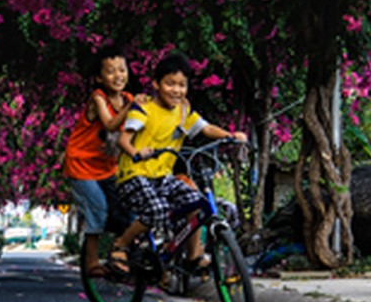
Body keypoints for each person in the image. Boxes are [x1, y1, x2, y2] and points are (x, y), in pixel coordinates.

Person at [110, 51, 246, 272]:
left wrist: (230, 136)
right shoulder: (143, 108)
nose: (176, 90)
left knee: (196, 203)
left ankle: (193, 256)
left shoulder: (183, 111)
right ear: (156, 84)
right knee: (157, 210)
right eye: (170, 84)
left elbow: (206, 128)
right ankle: (121, 244)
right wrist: (136, 152)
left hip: (162, 177)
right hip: (134, 176)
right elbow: (124, 139)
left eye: (182, 85)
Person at [63, 45, 133, 276]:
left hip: (107, 167)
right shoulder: (98, 98)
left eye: (122, 69)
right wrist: (133, 108)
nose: (118, 75)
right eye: (111, 71)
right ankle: (91, 263)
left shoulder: (129, 99)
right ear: (99, 78)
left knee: (125, 211)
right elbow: (110, 124)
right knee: (98, 210)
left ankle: (119, 256)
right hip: (81, 166)